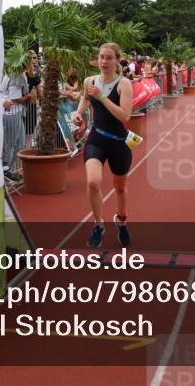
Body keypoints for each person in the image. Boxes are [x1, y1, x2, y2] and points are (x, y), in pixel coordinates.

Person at [73, 43, 134, 248]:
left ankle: (122, 219)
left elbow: (125, 115)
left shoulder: (123, 84)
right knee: (92, 182)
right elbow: (84, 99)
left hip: (118, 142)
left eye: (109, 58)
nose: (104, 61)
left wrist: (102, 97)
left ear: (116, 60)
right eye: (101, 57)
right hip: (96, 139)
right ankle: (98, 224)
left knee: (120, 186)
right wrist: (79, 114)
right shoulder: (89, 80)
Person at [1, 67, 30, 184]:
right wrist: (29, 97)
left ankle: (9, 170)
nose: (32, 61)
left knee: (20, 144)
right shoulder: (14, 75)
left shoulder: (18, 74)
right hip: (11, 113)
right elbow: (16, 98)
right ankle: (6, 171)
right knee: (10, 144)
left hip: (16, 112)